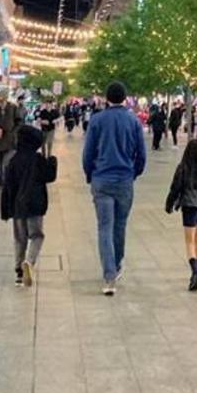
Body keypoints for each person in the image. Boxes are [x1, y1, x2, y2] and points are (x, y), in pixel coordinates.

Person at [82, 81, 146, 296]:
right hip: (124, 179)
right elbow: (141, 155)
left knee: (104, 227)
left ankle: (109, 275)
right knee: (120, 226)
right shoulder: (133, 121)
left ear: (106, 97)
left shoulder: (97, 120)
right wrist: (134, 172)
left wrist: (90, 174)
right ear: (125, 97)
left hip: (102, 179)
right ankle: (117, 265)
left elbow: (88, 153)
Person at [0, 124, 58, 287]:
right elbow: (49, 176)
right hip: (35, 204)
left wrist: (6, 210)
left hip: (18, 207)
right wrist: (52, 161)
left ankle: (19, 270)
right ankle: (29, 262)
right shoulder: (37, 159)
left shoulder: (12, 160)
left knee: (20, 238)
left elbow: (8, 186)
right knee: (37, 236)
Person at [164, 138, 197, 292]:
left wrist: (169, 204)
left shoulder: (183, 168)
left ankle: (195, 272)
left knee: (189, 241)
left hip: (189, 207)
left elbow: (175, 188)